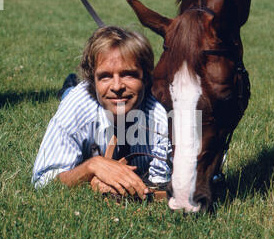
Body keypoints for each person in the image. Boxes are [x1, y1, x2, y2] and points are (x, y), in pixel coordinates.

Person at [32, 26, 171, 200]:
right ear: (92, 81)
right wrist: (91, 168)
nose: (117, 86)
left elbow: (166, 184)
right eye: (105, 76)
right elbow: (42, 181)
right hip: (79, 97)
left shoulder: (161, 117)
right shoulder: (76, 108)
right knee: (69, 94)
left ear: (146, 77)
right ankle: (68, 87)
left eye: (128, 75)